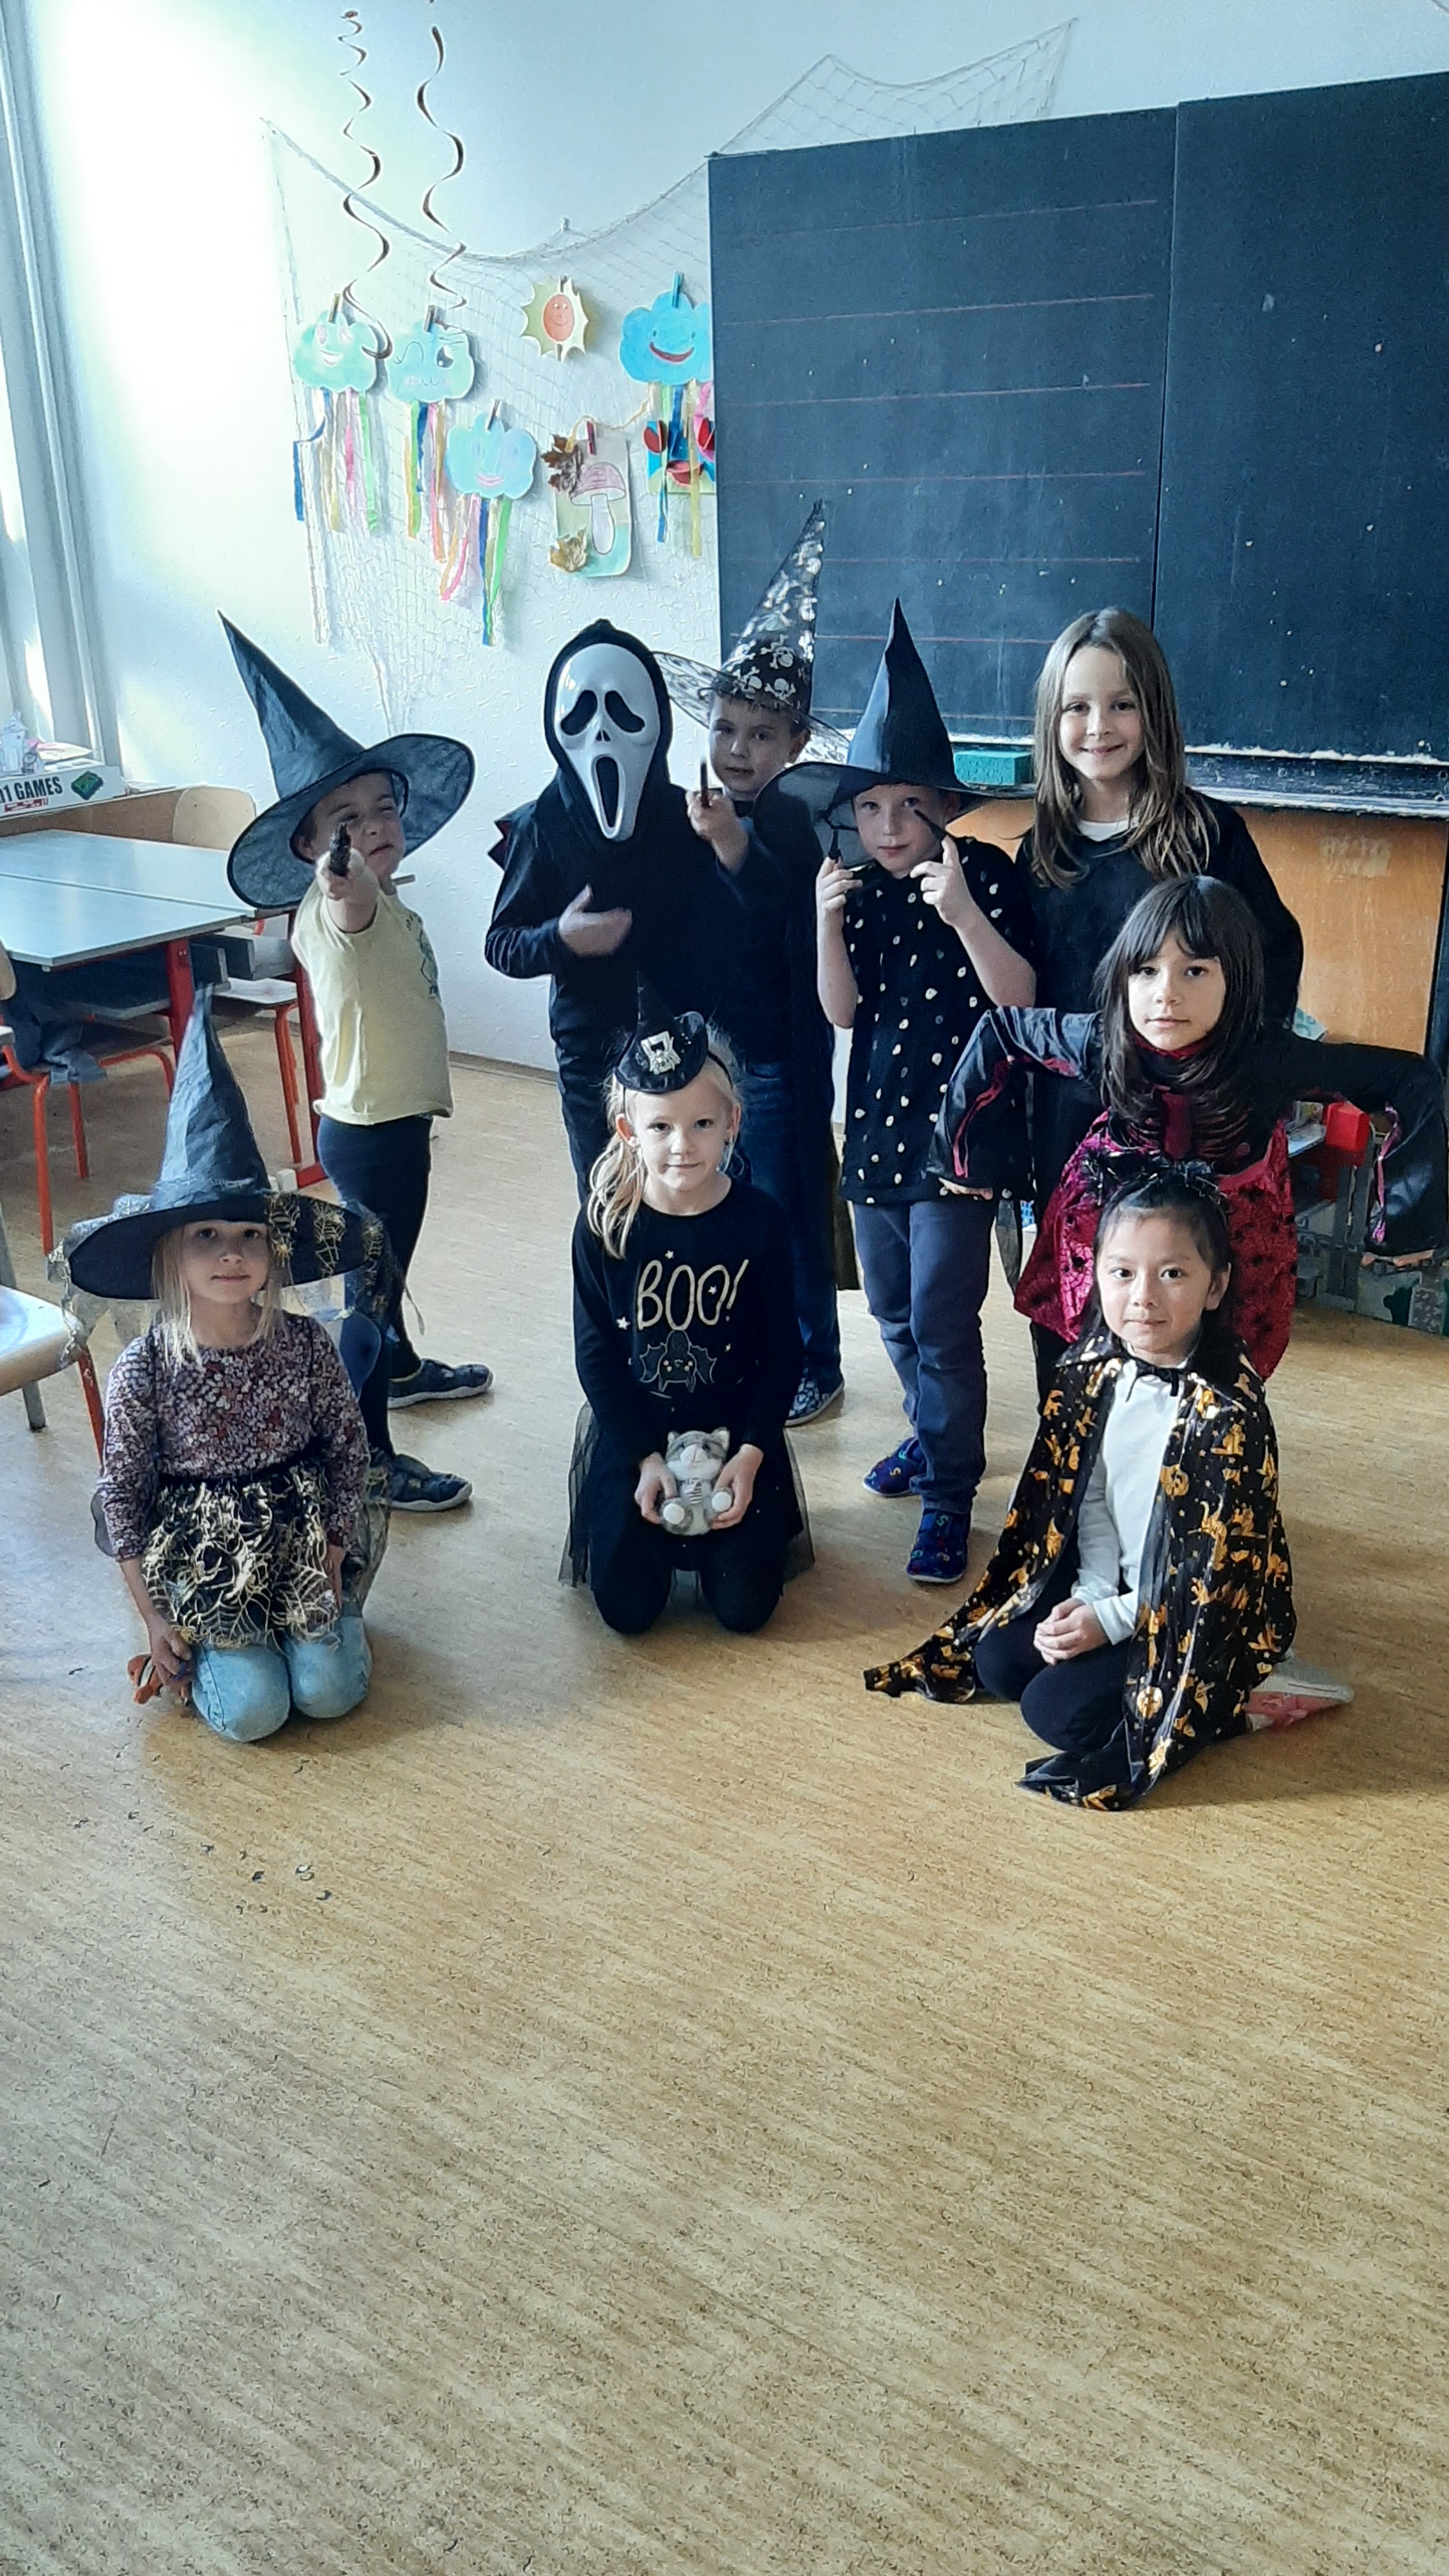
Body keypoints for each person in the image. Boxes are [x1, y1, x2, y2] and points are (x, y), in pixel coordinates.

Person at [864, 1168, 1297, 1809]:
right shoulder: (1090, 1372)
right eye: (1122, 1273)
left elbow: (1206, 1576)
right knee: (997, 1661)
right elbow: (1081, 1501)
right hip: (1115, 1583)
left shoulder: (1227, 1412)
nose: (1143, 1297)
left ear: (1216, 1285)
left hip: (1197, 1611)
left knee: (1056, 1714)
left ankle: (1240, 1703)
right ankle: (1098, 1650)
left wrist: (1111, 1623)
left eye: (1172, 1274)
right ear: (1096, 1275)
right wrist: (1091, 1595)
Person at [933, 874, 1446, 1388]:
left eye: (1195, 971)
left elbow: (1408, 1079)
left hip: (1227, 1246)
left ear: (1236, 979)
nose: (1166, 994)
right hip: (1113, 1230)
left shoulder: (1269, 1057)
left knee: (1213, 1388)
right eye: (1146, 970)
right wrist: (963, 1160)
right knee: (1088, 1374)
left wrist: (1406, 1223)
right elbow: (1001, 1032)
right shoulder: (1102, 1039)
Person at [222, 618, 488, 1516]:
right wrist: (347, 880)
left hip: (390, 1122)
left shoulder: (386, 899)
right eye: (346, 822)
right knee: (364, 1299)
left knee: (387, 1266)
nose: (373, 828)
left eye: (383, 808)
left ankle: (401, 1371)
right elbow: (350, 903)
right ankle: (365, 1460)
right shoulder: (343, 903)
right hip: (371, 1132)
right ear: (311, 850)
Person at [68, 991, 384, 1745]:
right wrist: (153, 1618)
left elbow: (348, 1449)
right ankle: (218, 1650)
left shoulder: (304, 1345)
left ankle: (324, 1627)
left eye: (248, 1234)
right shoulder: (145, 1369)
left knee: (329, 1694)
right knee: (254, 1713)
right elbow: (123, 1499)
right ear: (170, 1253)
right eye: (205, 1235)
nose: (232, 1254)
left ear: (273, 1249)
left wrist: (334, 1545)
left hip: (302, 1542)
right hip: (206, 1562)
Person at [805, 601, 1036, 1587]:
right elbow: (842, 1013)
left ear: (944, 805)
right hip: (874, 1132)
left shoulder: (985, 874)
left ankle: (949, 1494)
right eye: (869, 808)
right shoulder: (857, 894)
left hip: (961, 1140)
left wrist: (967, 915)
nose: (889, 827)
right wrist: (824, 924)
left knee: (943, 1322)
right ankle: (929, 1434)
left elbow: (1020, 1001)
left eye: (908, 805)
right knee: (894, 1315)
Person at [1008, 606, 1304, 1212]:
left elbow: (1272, 961)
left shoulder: (1207, 837)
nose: (1098, 727)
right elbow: (1026, 996)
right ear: (1051, 721)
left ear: (1155, 711)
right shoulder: (1041, 852)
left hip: (1185, 1125)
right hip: (1070, 1123)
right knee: (1079, 1267)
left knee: (1173, 1266)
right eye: (1077, 707)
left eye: (1122, 704)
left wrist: (1234, 1089)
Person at [658, 503, 851, 1425]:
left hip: (776, 1058)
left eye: (762, 735)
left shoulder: (798, 818)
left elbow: (781, 912)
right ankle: (758, 1344)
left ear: (798, 745)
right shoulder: (703, 808)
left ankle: (819, 1360)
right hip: (714, 1054)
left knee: (787, 1208)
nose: (739, 750)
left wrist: (732, 846)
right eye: (726, 729)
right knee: (728, 1205)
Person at [567, 991, 806, 1638]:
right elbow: (596, 1356)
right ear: (628, 1131)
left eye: (702, 1124)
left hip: (734, 1429)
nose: (682, 1146)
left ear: (732, 1121)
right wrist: (643, 1459)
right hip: (640, 1431)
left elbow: (782, 1351)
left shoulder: (760, 1222)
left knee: (745, 1609)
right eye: (661, 1128)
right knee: (627, 1611)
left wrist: (751, 1454)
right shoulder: (604, 1229)